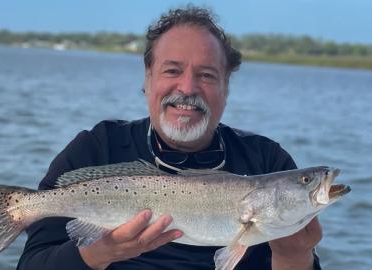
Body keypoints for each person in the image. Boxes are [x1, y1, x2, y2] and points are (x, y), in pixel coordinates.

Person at [17, 6, 322, 270]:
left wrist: (294, 256)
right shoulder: (97, 146)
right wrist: (97, 254)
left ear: (226, 89)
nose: (187, 88)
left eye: (206, 75)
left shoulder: (267, 161)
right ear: (147, 79)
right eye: (172, 70)